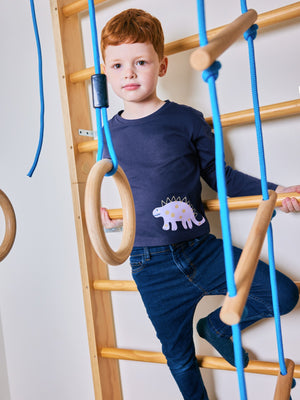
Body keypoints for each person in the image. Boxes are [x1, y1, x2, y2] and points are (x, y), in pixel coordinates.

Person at [99, 8, 300, 400]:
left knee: (283, 295)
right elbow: (122, 192)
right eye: (118, 64)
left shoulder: (188, 120)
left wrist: (278, 191)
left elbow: (222, 180)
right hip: (149, 264)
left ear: (162, 65)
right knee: (178, 357)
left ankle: (219, 328)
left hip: (200, 251)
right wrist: (110, 224)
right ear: (106, 71)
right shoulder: (108, 133)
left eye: (141, 62)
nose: (130, 73)